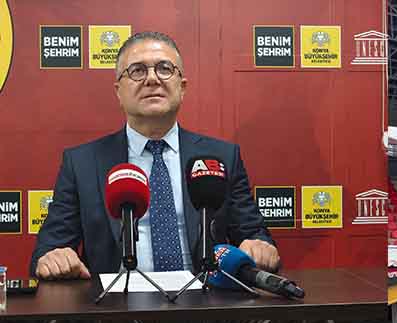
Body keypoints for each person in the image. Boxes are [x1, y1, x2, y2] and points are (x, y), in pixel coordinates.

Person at [31, 31, 279, 280]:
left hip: (203, 307)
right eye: (137, 70)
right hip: (115, 311)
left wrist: (259, 246)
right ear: (118, 91)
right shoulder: (82, 163)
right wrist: (53, 257)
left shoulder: (222, 157)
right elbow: (49, 249)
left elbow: (253, 234)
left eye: (164, 68)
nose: (152, 79)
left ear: (182, 87)